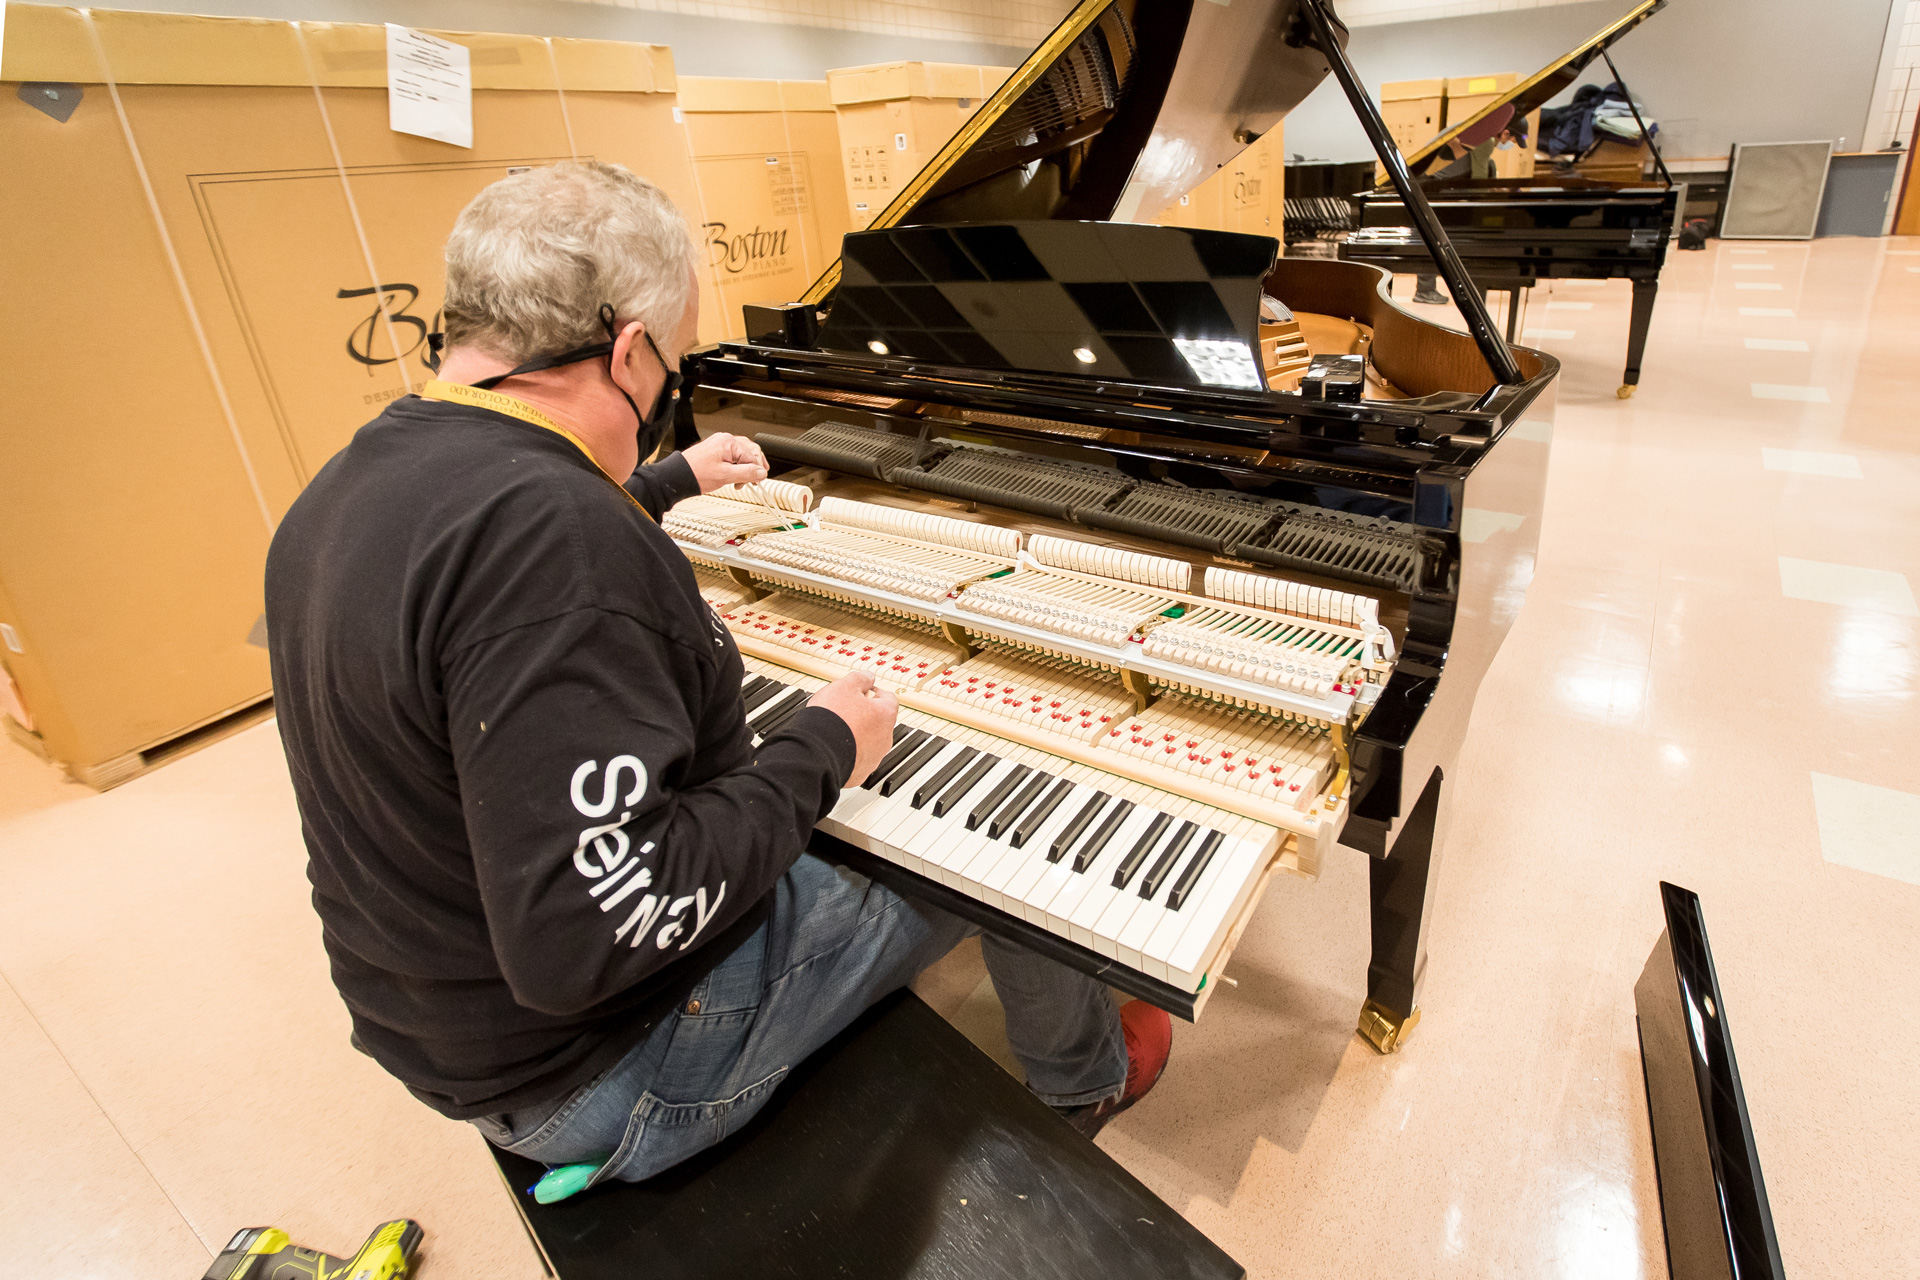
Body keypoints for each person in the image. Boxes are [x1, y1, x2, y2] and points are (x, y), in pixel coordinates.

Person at [264, 161, 1170, 1191]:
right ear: (629, 350)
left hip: (439, 1023)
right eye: (673, 364)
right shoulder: (558, 546)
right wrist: (824, 742)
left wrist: (662, 482)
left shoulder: (353, 481)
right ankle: (1084, 1075)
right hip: (604, 1069)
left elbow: (503, 573)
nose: (667, 390)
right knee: (1004, 827)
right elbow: (599, 931)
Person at [1410, 103, 1516, 305]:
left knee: (1431, 238)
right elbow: (1478, 181)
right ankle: (1425, 290)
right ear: (1506, 132)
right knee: (1431, 239)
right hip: (1431, 188)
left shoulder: (1472, 128)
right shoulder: (1485, 140)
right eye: (1513, 140)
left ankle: (1435, 288)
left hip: (1433, 185)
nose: (1510, 144)